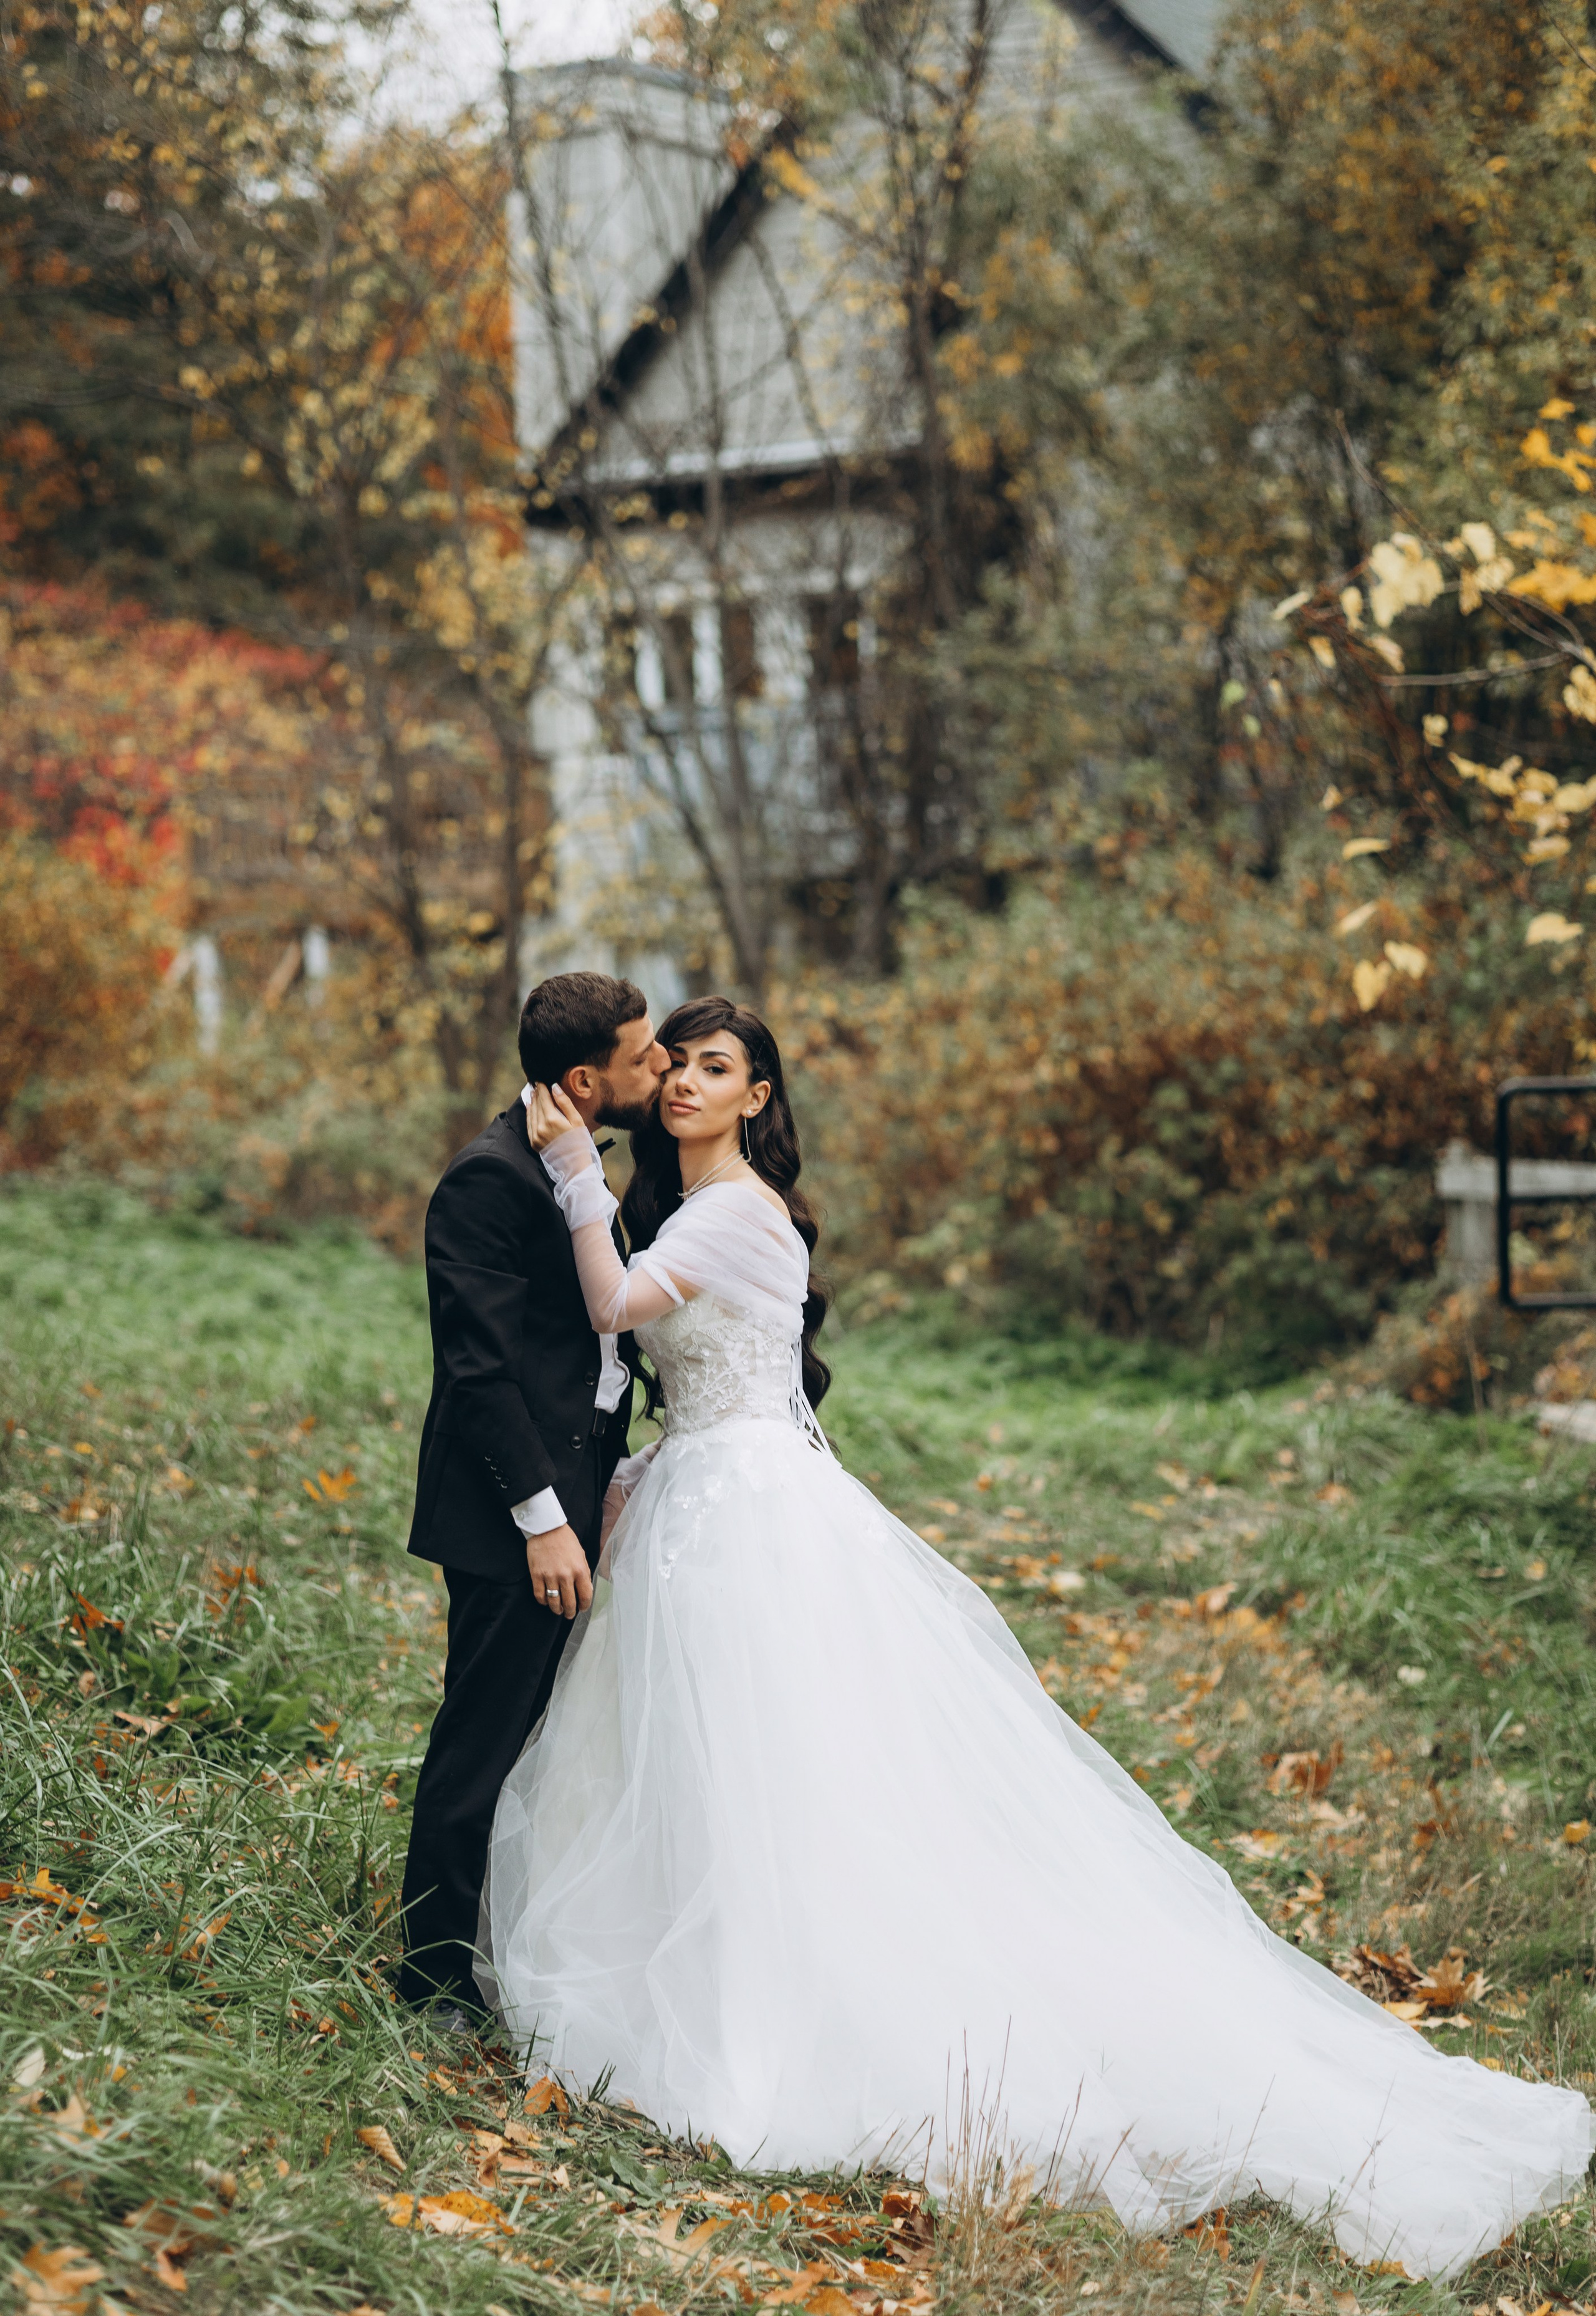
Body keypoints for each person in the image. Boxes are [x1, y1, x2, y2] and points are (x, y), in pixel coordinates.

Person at [479, 992, 1593, 2278]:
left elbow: (616, 1308)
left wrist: (568, 1165)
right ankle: (716, 1977)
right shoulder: (694, 1208)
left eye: (714, 1067)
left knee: (776, 1763)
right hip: (703, 1494)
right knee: (717, 1762)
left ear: (759, 1098)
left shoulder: (733, 1210)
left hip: (746, 1519)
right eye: (671, 1064)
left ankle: (792, 2023)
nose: (680, 1082)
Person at [395, 971, 668, 2015]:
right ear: (587, 1080)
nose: (663, 1069)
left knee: (547, 1730)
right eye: (646, 1058)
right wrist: (545, 1522)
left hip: (584, 1483)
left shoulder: (583, 1165)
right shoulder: (487, 1181)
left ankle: (513, 1941)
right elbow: (479, 1373)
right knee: (483, 1735)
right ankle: (428, 1977)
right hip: (514, 1511)